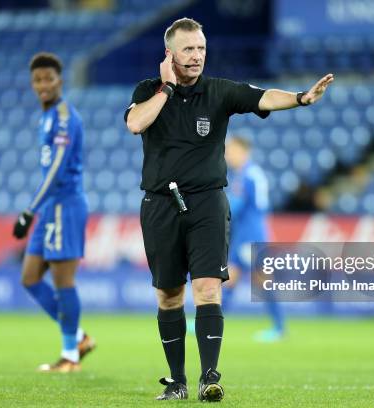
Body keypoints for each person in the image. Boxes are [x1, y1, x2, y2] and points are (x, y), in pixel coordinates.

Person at [124, 17, 333, 401]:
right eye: (188, 49)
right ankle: (177, 381)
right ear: (169, 53)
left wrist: (301, 98)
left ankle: (209, 377)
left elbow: (262, 96)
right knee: (169, 296)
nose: (197, 55)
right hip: (160, 205)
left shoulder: (219, 92)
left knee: (207, 289)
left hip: (207, 203)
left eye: (201, 48)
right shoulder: (147, 90)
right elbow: (136, 123)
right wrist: (167, 88)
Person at [12, 52, 94, 373]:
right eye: (37, 80)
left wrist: (30, 210)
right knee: (30, 277)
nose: (43, 85)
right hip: (50, 207)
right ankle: (80, 336)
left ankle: (70, 355)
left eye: (49, 78)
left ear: (60, 80)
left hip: (65, 206)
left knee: (63, 282)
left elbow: (58, 168)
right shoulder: (45, 116)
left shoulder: (63, 116)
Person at [224, 136, 285, 342]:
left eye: (230, 150)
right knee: (229, 280)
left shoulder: (249, 175)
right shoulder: (244, 174)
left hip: (251, 237)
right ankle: (208, 324)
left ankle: (278, 328)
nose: (227, 155)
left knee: (263, 282)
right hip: (243, 236)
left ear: (242, 150)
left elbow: (240, 208)